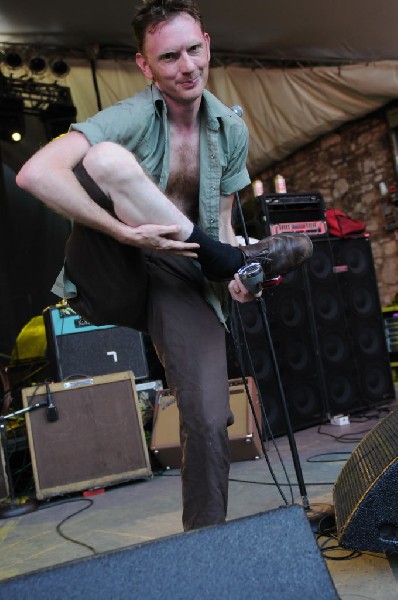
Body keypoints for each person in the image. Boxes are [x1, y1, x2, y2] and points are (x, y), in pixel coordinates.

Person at [16, 0, 312, 531]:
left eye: (194, 50)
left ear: (208, 45)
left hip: (184, 270)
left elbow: (220, 224)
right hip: (112, 261)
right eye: (169, 56)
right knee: (104, 159)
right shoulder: (129, 116)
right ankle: (237, 257)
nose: (187, 66)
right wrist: (120, 230)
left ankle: (205, 544)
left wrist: (239, 281)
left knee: (205, 417)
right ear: (145, 65)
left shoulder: (230, 130)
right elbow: (34, 175)